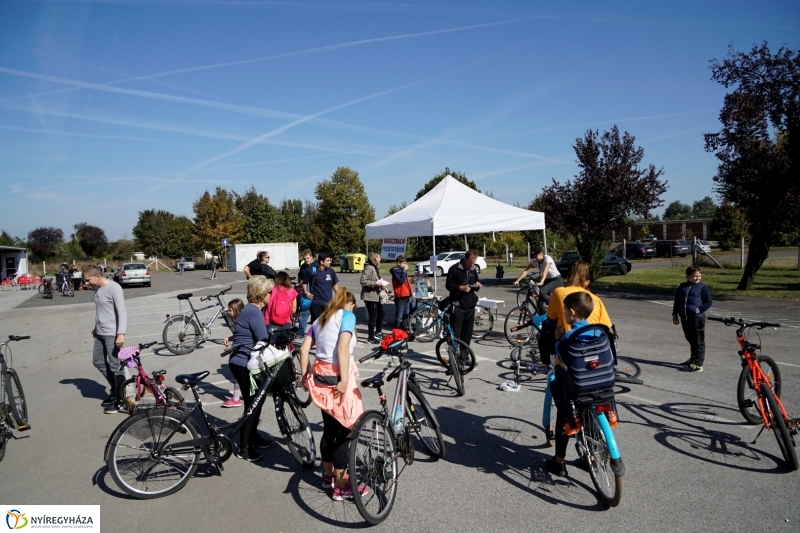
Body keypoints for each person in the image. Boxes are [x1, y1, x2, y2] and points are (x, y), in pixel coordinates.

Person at [299, 288, 367, 501]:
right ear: (349, 304)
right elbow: (342, 349)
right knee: (344, 431)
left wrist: (304, 376)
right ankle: (341, 485)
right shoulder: (347, 316)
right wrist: (344, 380)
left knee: (329, 429)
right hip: (337, 376)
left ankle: (328, 476)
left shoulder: (321, 318)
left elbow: (303, 349)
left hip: (320, 375)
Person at [545, 291, 604, 478]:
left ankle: (559, 462)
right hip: (598, 383)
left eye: (564, 312)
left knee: (564, 414)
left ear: (571, 312)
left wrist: (557, 338)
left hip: (576, 387)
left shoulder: (569, 336)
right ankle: (591, 458)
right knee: (589, 413)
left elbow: (561, 358)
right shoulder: (598, 332)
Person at [227, 276, 276, 461]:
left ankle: (253, 436)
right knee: (252, 404)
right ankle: (244, 447)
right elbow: (263, 339)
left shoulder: (251, 309)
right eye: (269, 292)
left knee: (257, 401)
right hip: (242, 363)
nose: (271, 295)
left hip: (243, 361)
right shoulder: (254, 311)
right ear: (261, 294)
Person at [82, 265, 128, 414]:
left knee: (116, 366)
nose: (86, 283)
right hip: (100, 333)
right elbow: (101, 311)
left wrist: (120, 333)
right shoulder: (97, 289)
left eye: (88, 280)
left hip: (112, 334)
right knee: (98, 361)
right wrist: (96, 328)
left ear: (97, 276)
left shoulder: (114, 288)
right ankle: (116, 390)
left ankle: (121, 399)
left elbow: (122, 312)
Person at [672, 265, 713, 372]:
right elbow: (677, 301)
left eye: (699, 276)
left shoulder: (702, 287)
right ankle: (693, 359)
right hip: (685, 318)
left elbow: (708, 302)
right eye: (695, 276)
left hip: (697, 319)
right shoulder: (682, 286)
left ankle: (698, 364)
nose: (698, 278)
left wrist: (698, 310)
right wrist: (675, 314)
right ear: (688, 276)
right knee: (691, 339)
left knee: (698, 341)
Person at [444, 249, 482, 363]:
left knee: (467, 333)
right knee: (456, 333)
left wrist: (477, 285)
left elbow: (475, 281)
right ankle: (454, 358)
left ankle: (464, 356)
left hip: (470, 305)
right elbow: (448, 285)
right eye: (470, 262)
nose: (472, 264)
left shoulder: (473, 269)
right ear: (465, 259)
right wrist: (460, 288)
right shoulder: (454, 269)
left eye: (474, 262)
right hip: (458, 305)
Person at [512, 246, 564, 314]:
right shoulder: (535, 261)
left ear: (540, 254)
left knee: (542, 292)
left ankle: (555, 307)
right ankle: (545, 319)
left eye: (535, 256)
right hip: (547, 280)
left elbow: (545, 271)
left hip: (556, 280)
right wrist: (517, 281)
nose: (534, 258)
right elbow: (526, 271)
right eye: (533, 256)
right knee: (540, 304)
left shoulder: (547, 258)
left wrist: (541, 282)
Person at [301, 251, 339, 325]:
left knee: (328, 324)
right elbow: (304, 283)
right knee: (318, 324)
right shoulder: (312, 271)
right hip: (316, 303)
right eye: (328, 260)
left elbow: (334, 285)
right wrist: (306, 292)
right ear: (321, 262)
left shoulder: (331, 271)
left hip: (328, 303)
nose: (330, 262)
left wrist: (339, 295)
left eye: (330, 260)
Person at [221, 299, 245, 408]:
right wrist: (229, 338)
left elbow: (244, 337)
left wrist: (231, 347)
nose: (228, 312)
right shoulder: (240, 320)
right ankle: (238, 397)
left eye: (230, 310)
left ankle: (236, 398)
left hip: (243, 352)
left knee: (238, 373)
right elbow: (239, 335)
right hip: (242, 350)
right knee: (240, 375)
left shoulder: (240, 322)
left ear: (237, 310)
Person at [360, 252, 388, 344]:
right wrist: (374, 284)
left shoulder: (375, 268)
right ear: (374, 259)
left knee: (381, 314)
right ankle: (370, 337)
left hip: (376, 295)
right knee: (373, 316)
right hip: (370, 296)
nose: (380, 259)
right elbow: (363, 280)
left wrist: (383, 286)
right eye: (378, 257)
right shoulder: (369, 268)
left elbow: (378, 279)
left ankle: (378, 333)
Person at [295, 250, 316, 339]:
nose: (306, 260)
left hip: (315, 294)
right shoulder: (303, 266)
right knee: (304, 313)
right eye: (304, 259)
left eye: (308, 258)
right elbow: (299, 276)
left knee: (316, 316)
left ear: (311, 257)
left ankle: (316, 334)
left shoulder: (316, 266)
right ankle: (301, 333)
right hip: (305, 293)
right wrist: (301, 281)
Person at [390, 255, 413, 331]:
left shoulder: (402, 271)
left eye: (405, 263)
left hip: (406, 295)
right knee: (399, 314)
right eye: (403, 263)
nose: (404, 265)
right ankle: (397, 330)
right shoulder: (396, 271)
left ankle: (404, 329)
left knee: (406, 313)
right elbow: (401, 281)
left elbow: (406, 282)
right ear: (398, 263)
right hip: (400, 295)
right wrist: (404, 271)